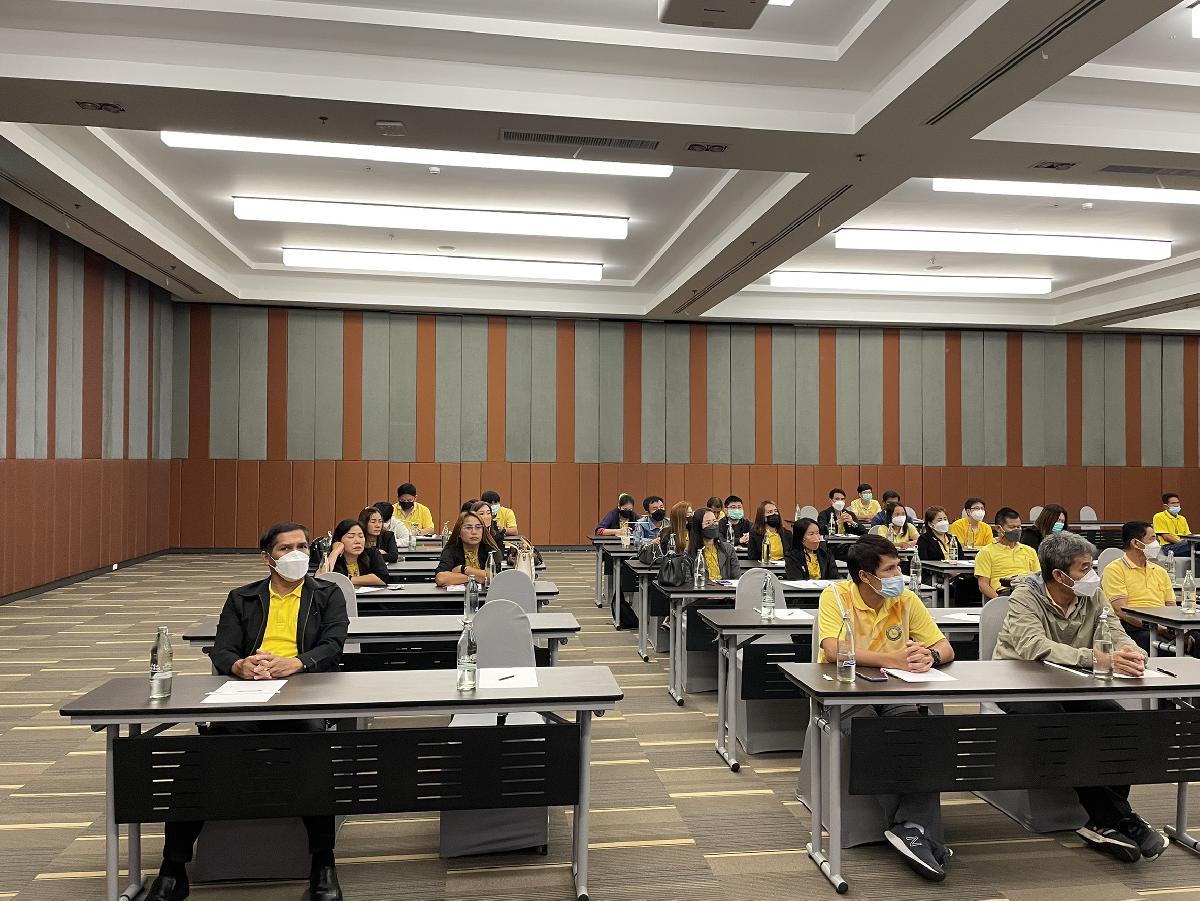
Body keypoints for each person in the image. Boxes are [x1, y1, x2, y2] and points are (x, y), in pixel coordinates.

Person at [143, 522, 348, 901]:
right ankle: (172, 869)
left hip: (303, 690)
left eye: (302, 546)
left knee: (313, 751)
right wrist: (240, 665)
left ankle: (323, 864)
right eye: (286, 548)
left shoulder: (327, 594)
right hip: (248, 691)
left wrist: (297, 663)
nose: (297, 554)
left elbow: (333, 644)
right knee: (201, 755)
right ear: (267, 558)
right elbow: (223, 649)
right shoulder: (242, 598)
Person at [992, 531, 1164, 865]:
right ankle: (1119, 819)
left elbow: (1114, 632)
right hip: (1020, 681)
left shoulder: (1092, 593)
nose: (1093, 574)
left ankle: (1106, 820)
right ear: (1059, 575)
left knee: (1119, 724)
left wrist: (1132, 652)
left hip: (1074, 683)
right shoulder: (1025, 596)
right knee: (1059, 724)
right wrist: (1095, 658)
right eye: (1085, 568)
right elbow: (1033, 646)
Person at [816, 535, 955, 881]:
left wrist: (930, 655)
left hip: (895, 691)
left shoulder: (906, 599)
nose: (898, 575)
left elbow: (945, 647)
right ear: (866, 576)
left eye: (898, 566)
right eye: (890, 569)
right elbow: (833, 650)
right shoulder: (836, 596)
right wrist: (892, 659)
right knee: (872, 734)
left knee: (919, 733)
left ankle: (910, 828)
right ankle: (914, 828)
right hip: (845, 692)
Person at [1101, 521, 1181, 656]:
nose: (1157, 544)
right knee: (1165, 648)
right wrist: (1159, 629)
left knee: (1195, 638)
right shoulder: (1114, 570)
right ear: (1136, 543)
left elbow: (1171, 606)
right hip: (1134, 627)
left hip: (1162, 623)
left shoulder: (1160, 571)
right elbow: (1121, 611)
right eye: (1152, 539)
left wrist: (1177, 630)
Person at [973, 507, 1039, 600]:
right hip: (1005, 592)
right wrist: (999, 601)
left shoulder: (1030, 551)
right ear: (998, 528)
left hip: (1029, 592)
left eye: (1018, 527)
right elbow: (983, 584)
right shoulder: (986, 552)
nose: (1017, 530)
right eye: (1012, 527)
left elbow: (1038, 578)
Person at [435, 511, 503, 586]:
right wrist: (474, 577)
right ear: (459, 532)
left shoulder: (490, 549)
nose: (474, 532)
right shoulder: (452, 550)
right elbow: (441, 578)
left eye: (478, 527)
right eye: (468, 527)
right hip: (458, 593)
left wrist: (463, 569)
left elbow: (494, 577)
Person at [317, 518, 388, 586]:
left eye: (361, 536)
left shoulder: (372, 553)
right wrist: (335, 551)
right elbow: (320, 579)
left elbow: (383, 578)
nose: (357, 541)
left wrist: (348, 579)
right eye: (351, 537)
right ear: (339, 540)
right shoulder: (333, 558)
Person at [688, 507, 741, 580]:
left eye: (714, 521)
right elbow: (688, 582)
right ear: (698, 527)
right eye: (708, 523)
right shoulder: (689, 554)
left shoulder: (728, 549)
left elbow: (737, 578)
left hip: (725, 587)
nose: (713, 525)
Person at [1153, 493, 1191, 558]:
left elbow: (1188, 535)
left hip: (1184, 545)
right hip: (1169, 547)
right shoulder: (1159, 516)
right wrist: (1181, 543)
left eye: (1178, 502)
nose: (1176, 505)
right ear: (1166, 506)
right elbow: (1166, 537)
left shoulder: (1182, 518)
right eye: (1173, 503)